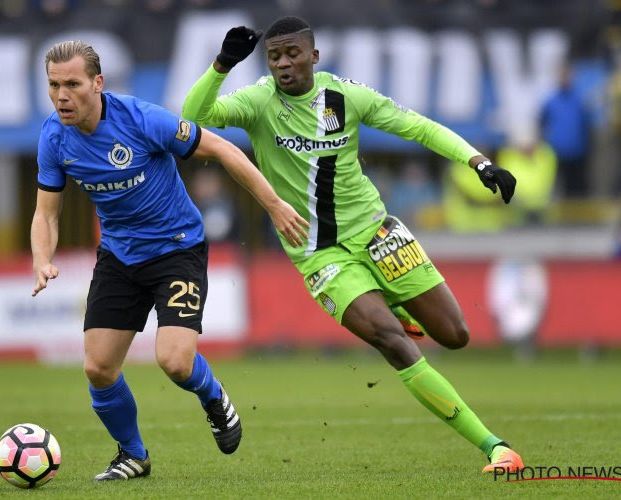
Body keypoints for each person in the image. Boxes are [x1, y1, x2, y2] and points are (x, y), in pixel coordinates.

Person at [182, 17, 523, 474]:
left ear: (314, 57)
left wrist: (477, 161)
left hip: (378, 232)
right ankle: (495, 447)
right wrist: (223, 64)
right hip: (318, 253)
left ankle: (398, 307)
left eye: (293, 54)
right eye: (275, 56)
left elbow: (417, 128)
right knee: (392, 341)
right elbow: (194, 116)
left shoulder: (346, 96)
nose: (283, 64)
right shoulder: (259, 101)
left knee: (455, 335)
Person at [31, 40, 308, 482]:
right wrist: (42, 258)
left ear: (98, 84)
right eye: (53, 85)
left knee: (175, 362)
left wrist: (273, 205)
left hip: (176, 247)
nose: (62, 95)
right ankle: (133, 455)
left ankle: (213, 396)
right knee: (98, 367)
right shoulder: (52, 136)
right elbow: (47, 211)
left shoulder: (142, 120)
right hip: (120, 256)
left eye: (72, 84)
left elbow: (222, 149)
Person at [539, 62, 592, 198]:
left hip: (577, 154)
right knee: (556, 191)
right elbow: (542, 123)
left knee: (577, 192)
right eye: (562, 75)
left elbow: (587, 125)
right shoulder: (550, 101)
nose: (564, 78)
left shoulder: (580, 100)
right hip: (556, 154)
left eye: (567, 75)